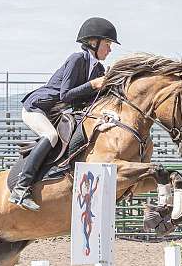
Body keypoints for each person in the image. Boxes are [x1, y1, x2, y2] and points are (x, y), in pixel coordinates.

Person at [9, 17, 120, 211]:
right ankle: (21, 188)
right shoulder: (76, 59)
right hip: (37, 107)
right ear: (93, 43)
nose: (110, 49)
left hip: (56, 113)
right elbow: (66, 94)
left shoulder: (99, 69)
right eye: (108, 44)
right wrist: (93, 84)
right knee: (50, 136)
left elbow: (82, 102)